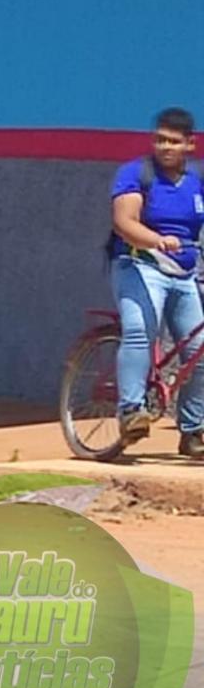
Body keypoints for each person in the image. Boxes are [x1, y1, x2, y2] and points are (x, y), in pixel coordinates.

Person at [108, 107, 204, 455]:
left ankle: (193, 430)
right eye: (160, 140)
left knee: (198, 350)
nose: (165, 147)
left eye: (174, 142)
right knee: (140, 331)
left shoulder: (196, 180)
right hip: (139, 265)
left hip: (184, 273)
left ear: (190, 144)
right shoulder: (137, 173)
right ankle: (131, 411)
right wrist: (156, 240)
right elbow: (124, 221)